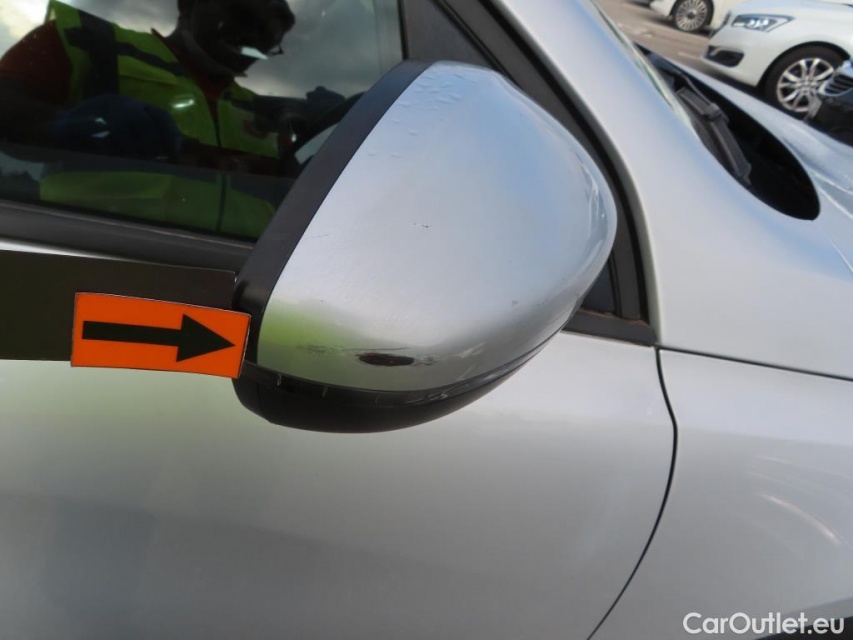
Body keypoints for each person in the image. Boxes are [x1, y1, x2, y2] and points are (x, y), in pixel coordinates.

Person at [0, 0, 304, 237]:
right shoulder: (90, 42)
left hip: (249, 278)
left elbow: (296, 196)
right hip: (94, 262)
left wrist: (323, 138)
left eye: (268, 40)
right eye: (241, 17)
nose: (252, 39)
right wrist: (62, 123)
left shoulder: (265, 114)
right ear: (188, 4)